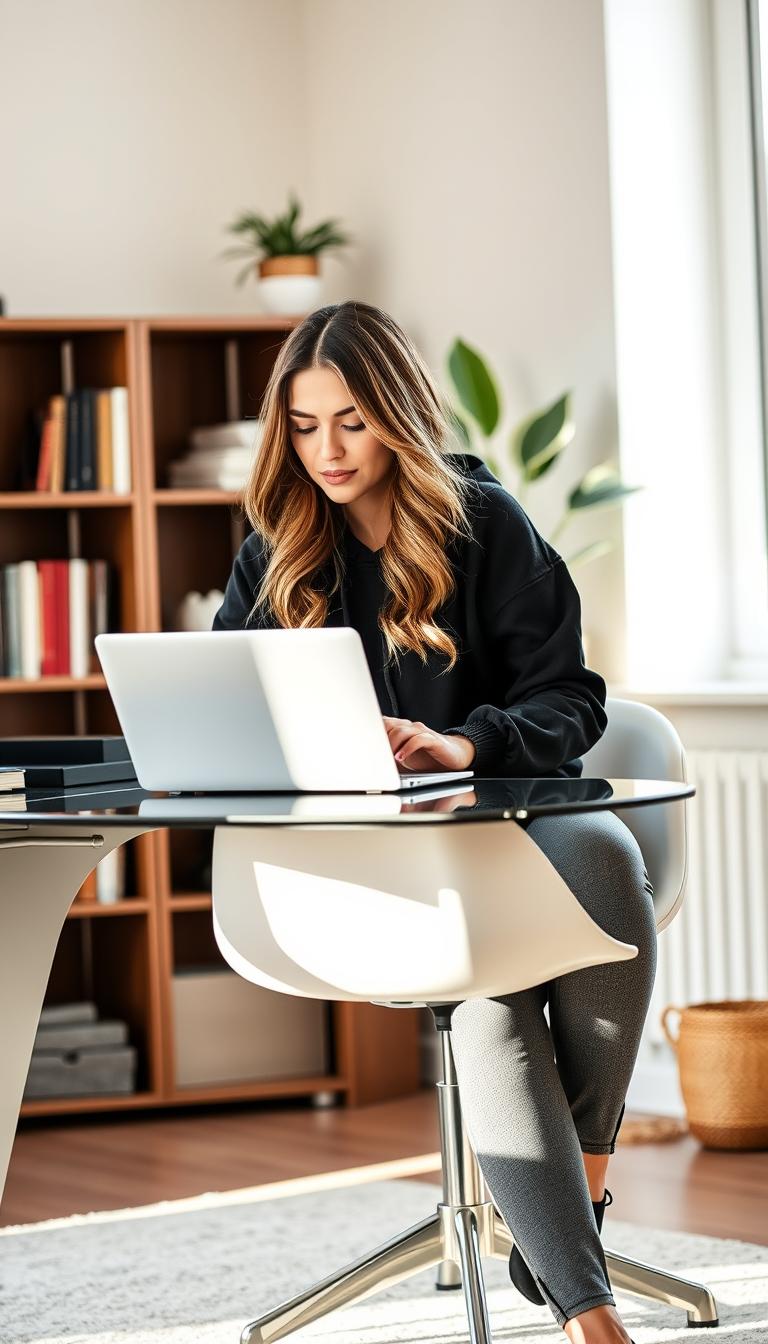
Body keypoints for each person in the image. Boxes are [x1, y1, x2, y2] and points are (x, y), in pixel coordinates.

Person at [212, 299, 655, 1344]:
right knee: (494, 998)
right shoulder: (274, 553)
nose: (327, 449)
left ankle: (579, 1227)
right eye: (307, 425)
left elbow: (573, 700)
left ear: (398, 415)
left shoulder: (483, 520)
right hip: (363, 864)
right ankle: (588, 1294)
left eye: (353, 422)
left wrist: (466, 745)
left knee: (606, 860)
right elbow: (230, 703)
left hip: (503, 823)